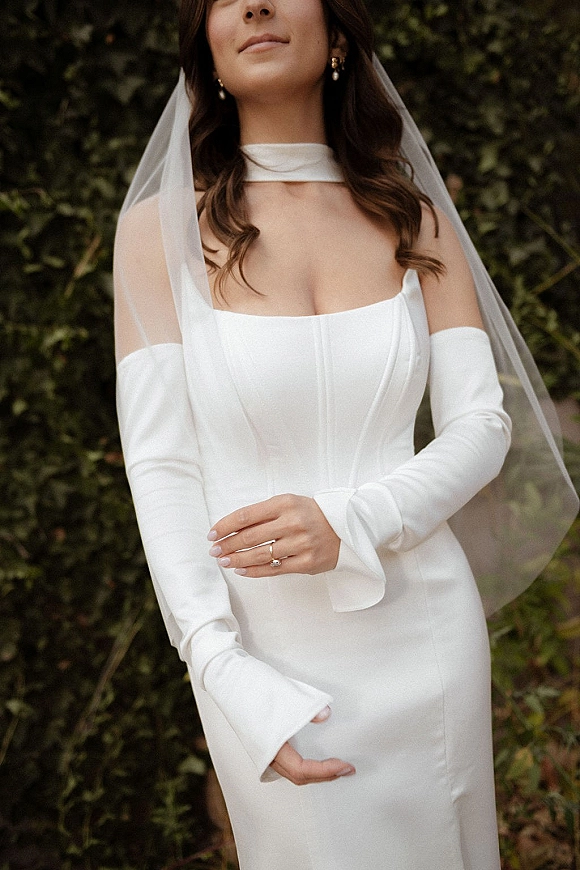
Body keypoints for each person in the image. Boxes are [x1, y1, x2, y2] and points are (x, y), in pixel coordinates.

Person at [113, 1, 578, 868]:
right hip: (265, 646)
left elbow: (481, 425)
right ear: (206, 47)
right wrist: (221, 669)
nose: (255, 4)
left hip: (428, 633)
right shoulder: (156, 233)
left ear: (335, 35)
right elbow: (162, 464)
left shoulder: (413, 217)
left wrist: (353, 519)